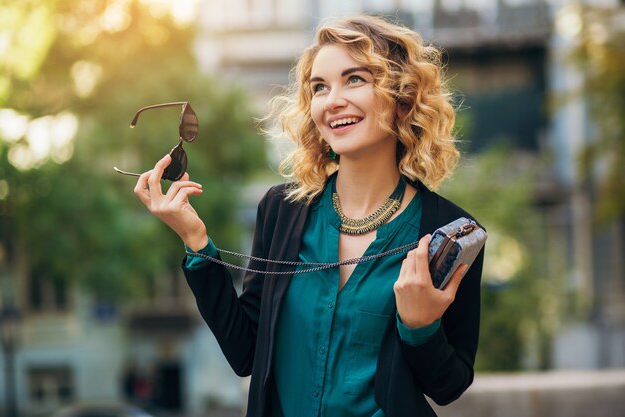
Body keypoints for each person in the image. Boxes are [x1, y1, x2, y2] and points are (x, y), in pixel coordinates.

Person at [132, 15, 484, 417]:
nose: (332, 100)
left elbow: (450, 386)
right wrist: (196, 243)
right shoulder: (281, 210)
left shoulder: (446, 231)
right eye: (320, 87)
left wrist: (421, 327)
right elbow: (247, 352)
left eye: (355, 79)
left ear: (401, 97)